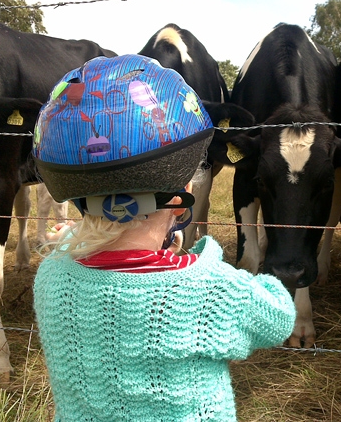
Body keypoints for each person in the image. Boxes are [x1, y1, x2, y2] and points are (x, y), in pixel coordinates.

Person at [32, 54, 296, 422]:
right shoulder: (205, 287)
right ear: (180, 196)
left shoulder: (52, 276)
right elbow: (278, 316)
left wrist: (75, 239)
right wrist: (204, 257)